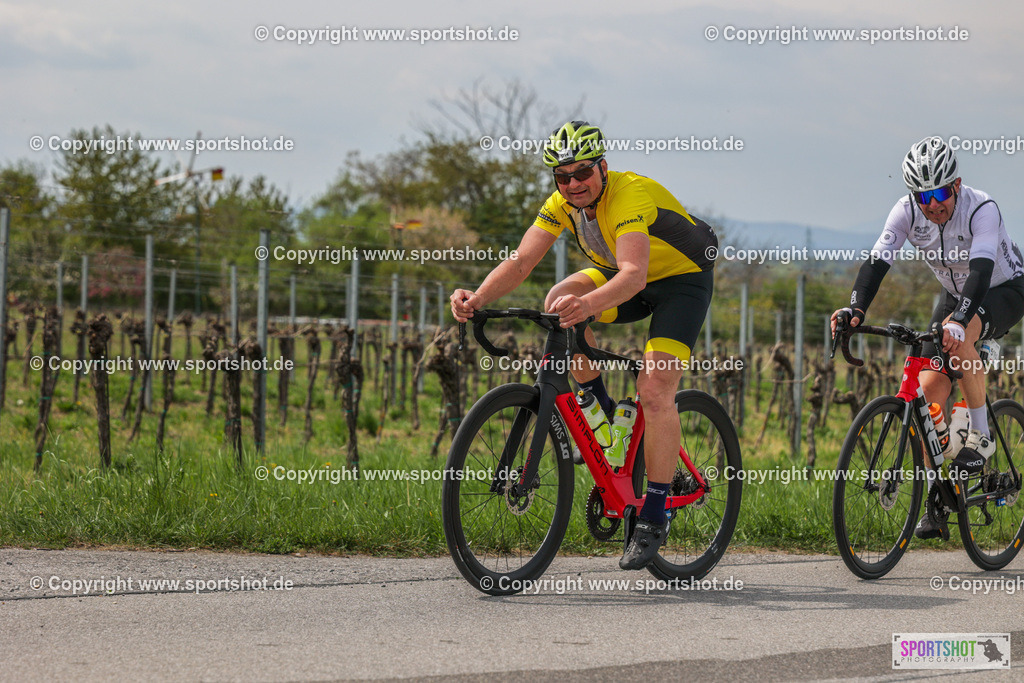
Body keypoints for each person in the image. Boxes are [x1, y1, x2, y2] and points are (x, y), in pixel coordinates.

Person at [450, 120, 718, 569]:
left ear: (603, 168)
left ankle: (654, 513)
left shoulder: (628, 194)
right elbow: (520, 263)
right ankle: (602, 408)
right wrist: (476, 299)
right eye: (563, 176)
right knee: (557, 298)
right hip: (628, 279)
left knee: (654, 392)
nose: (573, 183)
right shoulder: (561, 203)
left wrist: (587, 307)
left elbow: (633, 275)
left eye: (582, 173)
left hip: (681, 284)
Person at [831, 136, 1024, 539]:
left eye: (939, 193)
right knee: (928, 392)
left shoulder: (981, 209)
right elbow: (876, 264)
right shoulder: (906, 212)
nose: (932, 205)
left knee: (964, 334)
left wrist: (960, 320)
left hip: (1003, 288)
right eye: (923, 196)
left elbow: (982, 270)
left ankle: (982, 438)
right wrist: (855, 310)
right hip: (954, 293)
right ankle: (940, 492)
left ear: (955, 185)